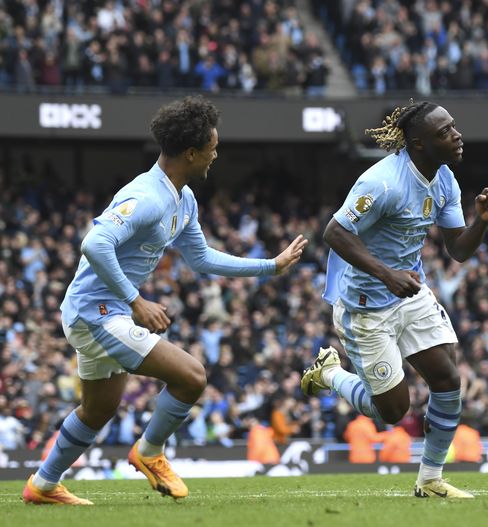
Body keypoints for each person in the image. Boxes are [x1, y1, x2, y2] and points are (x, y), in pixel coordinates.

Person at [22, 96, 308, 505]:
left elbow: (203, 258)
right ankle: (150, 452)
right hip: (95, 313)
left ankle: (43, 485)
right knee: (191, 376)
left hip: (103, 312)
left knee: (98, 410)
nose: (216, 154)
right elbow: (94, 243)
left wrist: (271, 265)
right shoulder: (148, 196)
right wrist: (137, 301)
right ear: (192, 153)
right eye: (213, 147)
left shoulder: (183, 198)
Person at [300, 100, 488, 498]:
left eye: (454, 126)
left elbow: (457, 250)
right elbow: (335, 233)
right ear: (419, 144)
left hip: (408, 292)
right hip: (364, 304)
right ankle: (329, 374)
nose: (457, 135)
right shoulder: (383, 182)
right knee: (393, 412)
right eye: (444, 132)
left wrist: (481, 222)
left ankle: (430, 480)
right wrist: (386, 274)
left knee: (448, 378)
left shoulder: (444, 179)